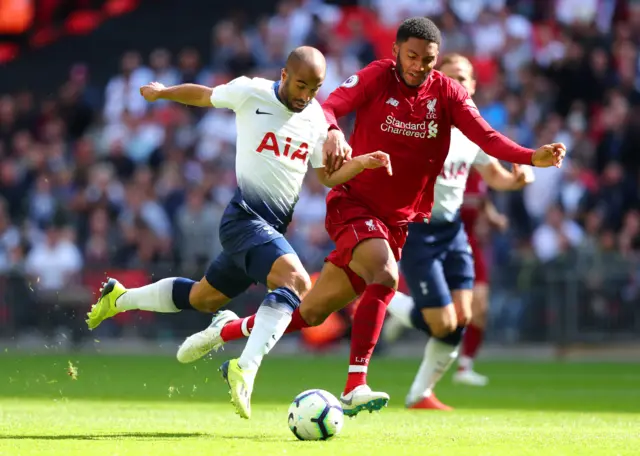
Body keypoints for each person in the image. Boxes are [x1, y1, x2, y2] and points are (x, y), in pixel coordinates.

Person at [177, 17, 565, 417]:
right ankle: (355, 384)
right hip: (354, 204)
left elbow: (486, 134)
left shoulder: (447, 93)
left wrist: (530, 155)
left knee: (312, 312)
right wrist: (332, 131)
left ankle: (224, 330)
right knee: (385, 276)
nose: (419, 66)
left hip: (397, 220)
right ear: (396, 50)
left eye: (427, 59)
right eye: (411, 56)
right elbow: (330, 106)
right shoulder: (378, 76)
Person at [84, 46, 390, 420]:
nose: (306, 94)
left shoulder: (314, 119)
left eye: (314, 88)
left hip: (268, 230)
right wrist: (164, 92)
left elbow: (326, 175)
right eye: (300, 84)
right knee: (296, 282)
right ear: (283, 74)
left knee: (204, 297)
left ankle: (119, 298)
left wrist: (360, 163)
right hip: (244, 217)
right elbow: (205, 95)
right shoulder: (252, 92)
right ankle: (244, 368)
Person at [380, 53, 535, 410]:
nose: (456, 85)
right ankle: (386, 299)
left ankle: (420, 394)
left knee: (462, 319)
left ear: (473, 86)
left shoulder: (472, 132)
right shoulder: (414, 123)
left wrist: (518, 178)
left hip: (453, 233)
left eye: (463, 79)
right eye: (449, 78)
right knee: (442, 321)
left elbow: (495, 176)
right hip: (418, 231)